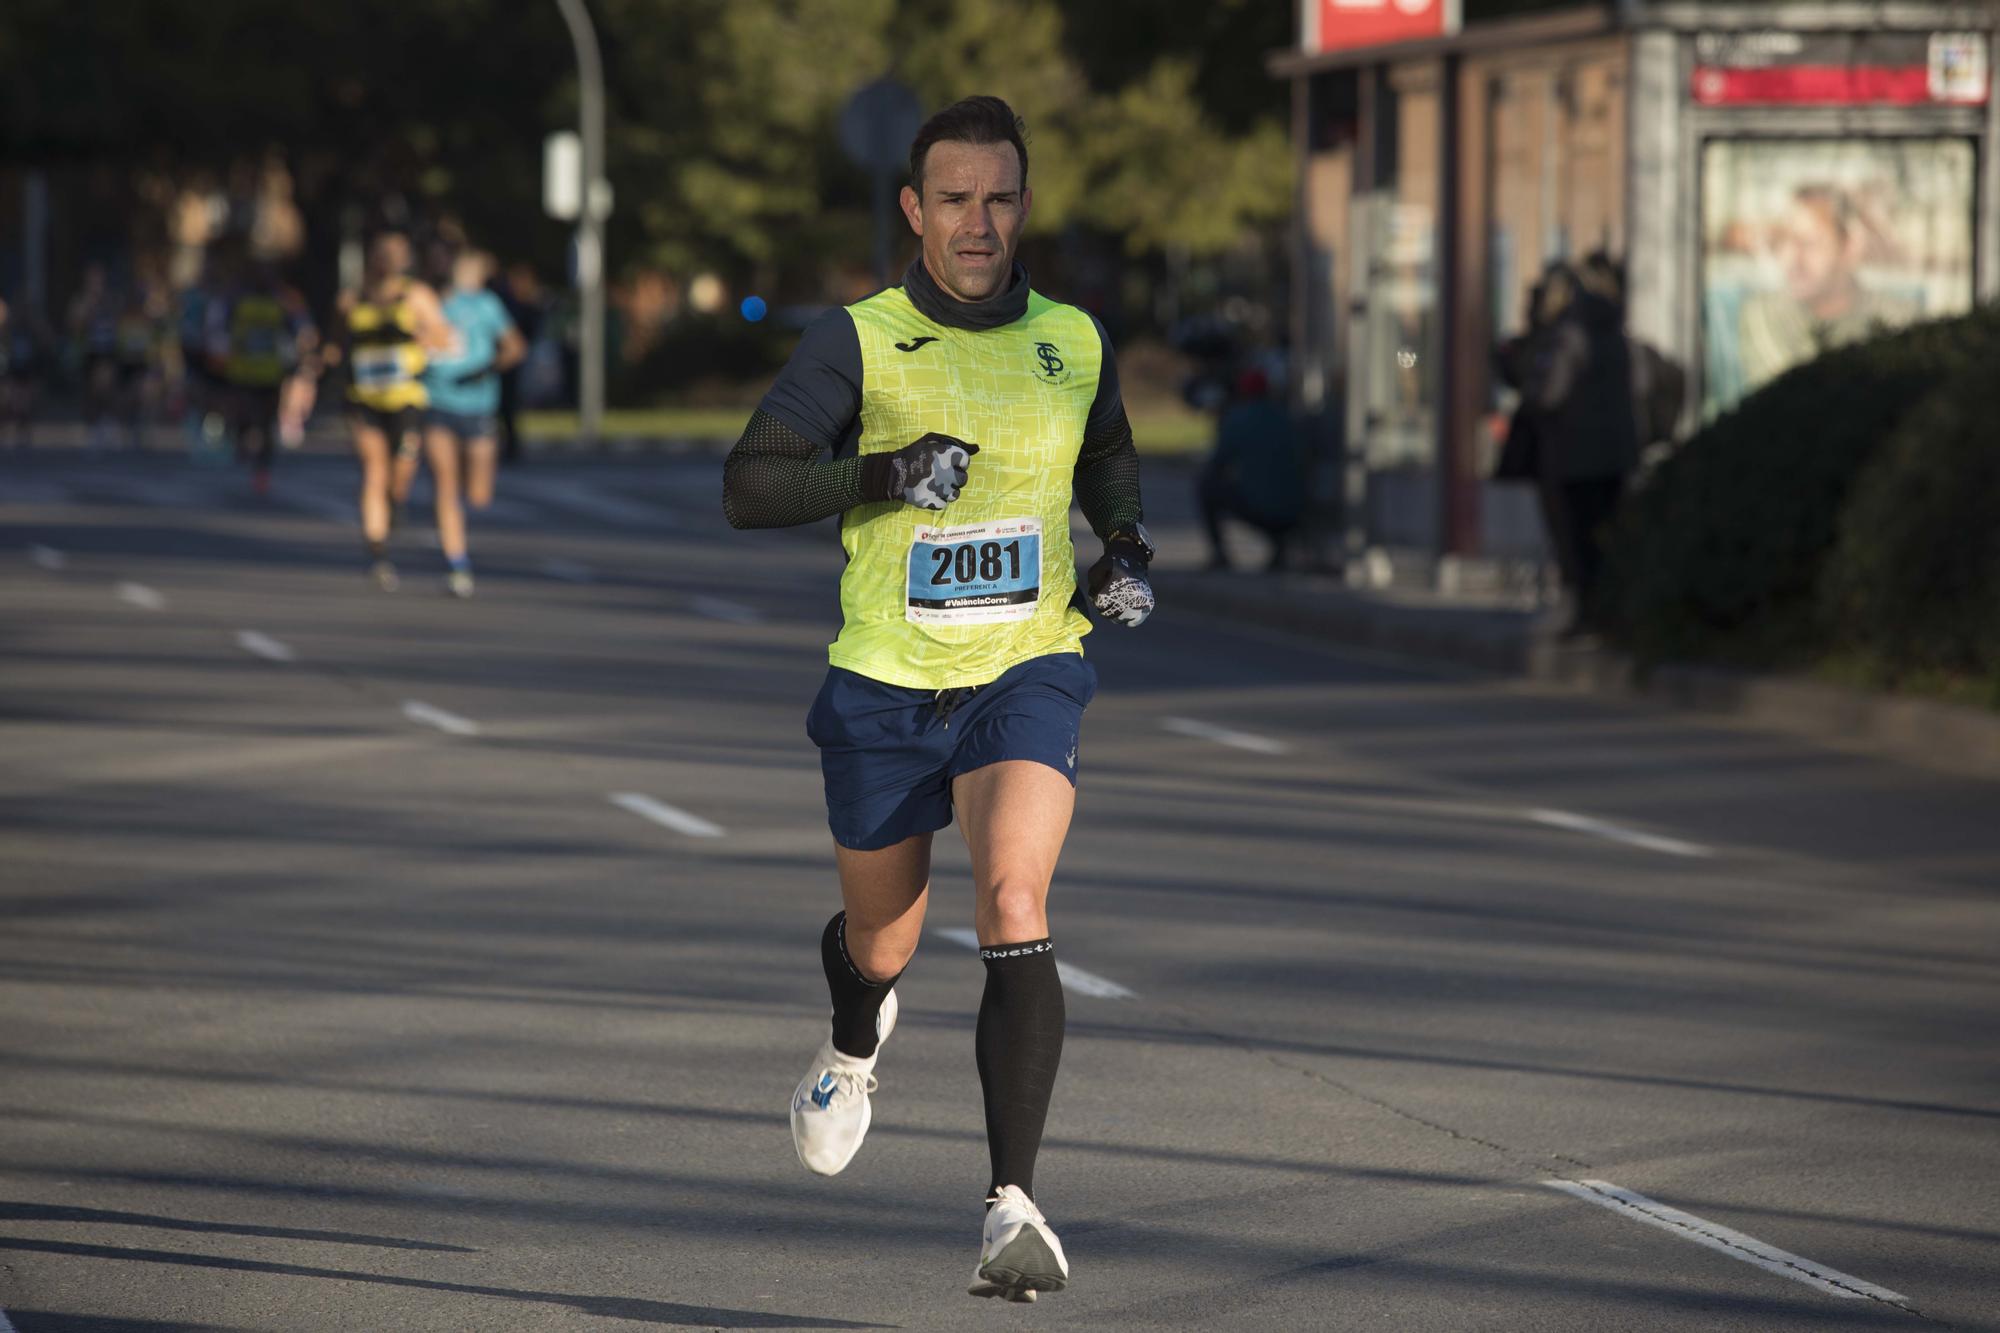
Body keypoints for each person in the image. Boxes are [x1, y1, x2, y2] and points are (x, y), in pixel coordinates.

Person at [721, 95, 1154, 1305]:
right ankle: (856, 1038)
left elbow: (1106, 448)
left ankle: (1010, 1206)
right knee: (884, 940)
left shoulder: (1073, 335)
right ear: (914, 210)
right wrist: (885, 472)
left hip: (1025, 665)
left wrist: (1122, 546)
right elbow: (750, 483)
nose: (979, 221)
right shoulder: (856, 340)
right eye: (954, 199)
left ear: (1025, 204)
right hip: (883, 684)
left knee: (1013, 894)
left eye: (1000, 198)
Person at [1496, 259, 1638, 634]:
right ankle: (1606, 614)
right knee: (1605, 538)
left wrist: (1529, 377)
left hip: (1572, 457)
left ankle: (1586, 615)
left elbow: (1548, 394)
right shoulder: (1617, 334)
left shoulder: (1570, 335)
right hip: (1615, 455)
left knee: (1575, 542)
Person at [329, 231, 456, 590]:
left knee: (401, 470)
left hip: (405, 397)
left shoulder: (416, 296)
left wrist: (424, 336)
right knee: (373, 468)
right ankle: (378, 551)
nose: (390, 259)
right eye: (384, 253)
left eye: (397, 253)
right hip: (363, 397)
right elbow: (336, 344)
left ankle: (395, 500)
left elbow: (445, 337)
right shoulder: (352, 300)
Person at [1736, 184, 1918, 394]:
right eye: (1783, 241)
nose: (1791, 259)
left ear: (1850, 245)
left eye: (1808, 243)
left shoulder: (1901, 318)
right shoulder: (1761, 316)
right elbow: (1788, 401)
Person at [420, 247, 525, 598]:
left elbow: (515, 348)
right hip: (437, 402)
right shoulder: (428, 302)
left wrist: (486, 369)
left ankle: (459, 533)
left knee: (478, 494)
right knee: (445, 487)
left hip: (479, 406)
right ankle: (457, 562)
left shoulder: (487, 306)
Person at [215, 258, 317, 496]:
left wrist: (303, 351)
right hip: (242, 369)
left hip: (270, 371)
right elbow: (220, 326)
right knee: (244, 414)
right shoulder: (236, 299)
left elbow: (301, 329)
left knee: (267, 422)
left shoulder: (282, 301)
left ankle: (262, 470)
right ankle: (242, 440)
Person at [1196, 367, 1303, 571]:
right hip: (1295, 510)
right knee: (1270, 493)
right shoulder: (1285, 416)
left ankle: (1220, 554)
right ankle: (1279, 548)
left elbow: (1217, 463)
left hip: (1262, 509)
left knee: (1207, 487)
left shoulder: (1238, 418)